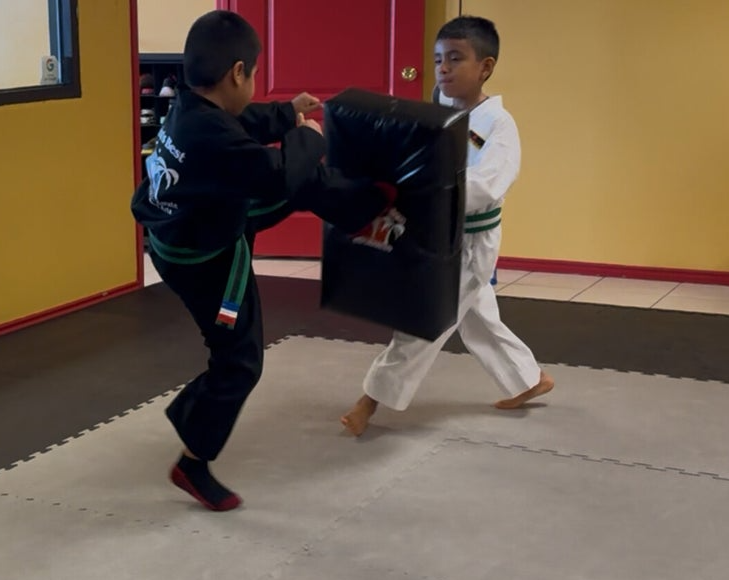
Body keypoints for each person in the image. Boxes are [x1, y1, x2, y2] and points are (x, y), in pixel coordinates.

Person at [131, 10, 398, 511]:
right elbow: (282, 176)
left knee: (307, 185)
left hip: (186, 226)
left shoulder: (188, 108)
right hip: (209, 260)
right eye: (253, 73)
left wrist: (284, 113)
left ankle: (370, 215)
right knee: (240, 360)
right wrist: (308, 136)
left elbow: (244, 123)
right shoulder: (212, 140)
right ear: (237, 73)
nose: (253, 83)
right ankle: (193, 461)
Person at [341, 15, 555, 436]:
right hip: (435, 231)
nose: (443, 68)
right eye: (439, 59)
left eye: (456, 59)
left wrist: (428, 186)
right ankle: (529, 379)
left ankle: (369, 402)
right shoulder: (439, 110)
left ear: (486, 67)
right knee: (477, 317)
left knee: (425, 319)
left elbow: (489, 185)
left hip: (471, 239)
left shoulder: (499, 125)